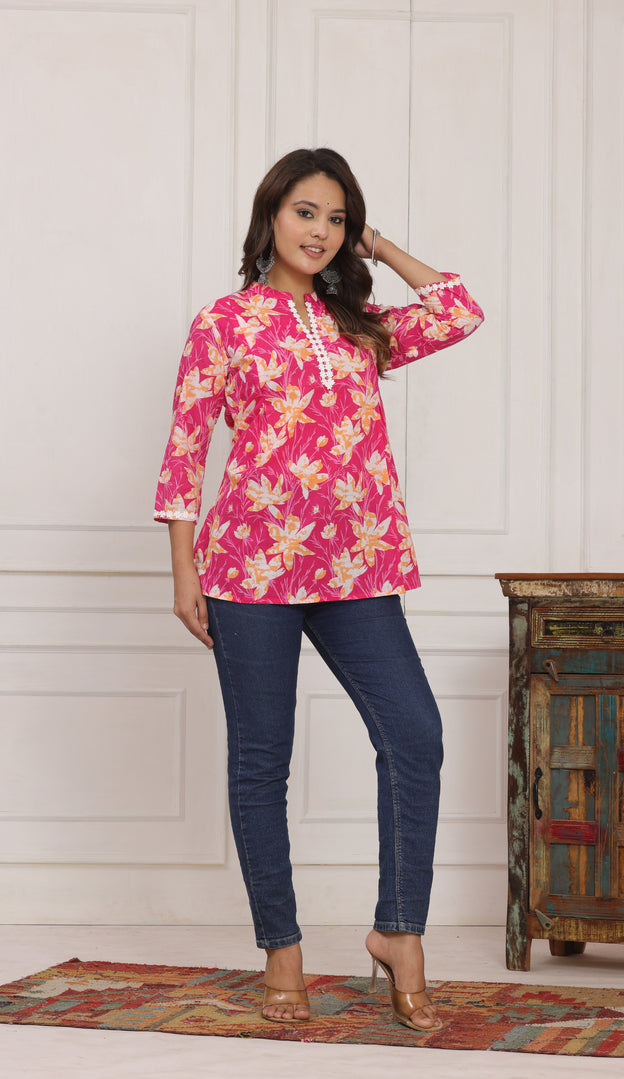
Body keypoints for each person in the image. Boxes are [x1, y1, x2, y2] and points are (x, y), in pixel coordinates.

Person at [154, 148, 484, 1029]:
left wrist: (378, 243)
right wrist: (185, 570)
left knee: (414, 735)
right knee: (262, 760)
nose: (321, 231)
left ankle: (399, 933)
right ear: (270, 216)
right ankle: (282, 949)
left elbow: (459, 309)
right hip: (250, 570)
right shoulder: (225, 321)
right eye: (306, 212)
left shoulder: (359, 324)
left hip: (358, 566)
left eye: (336, 218)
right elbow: (185, 452)